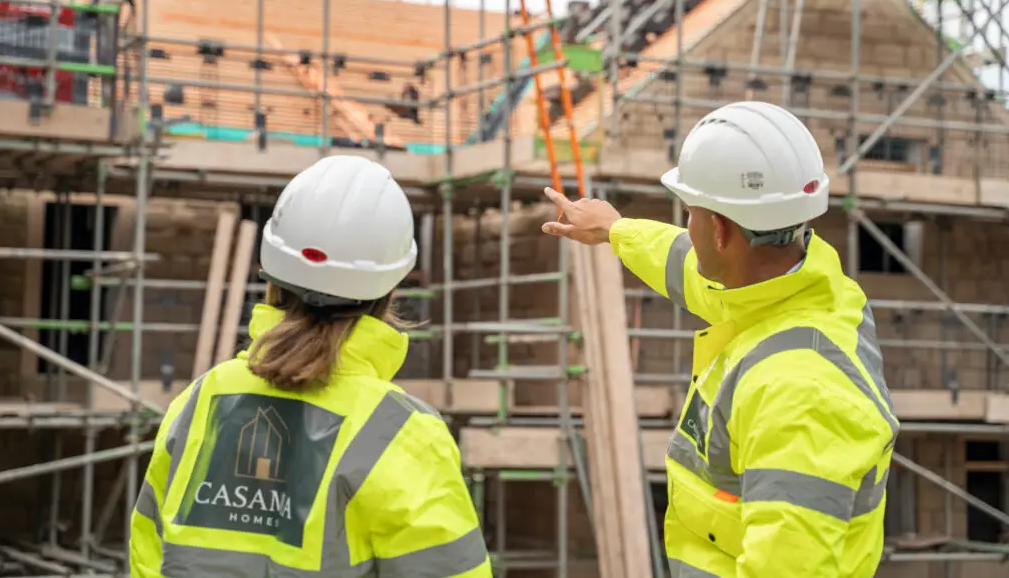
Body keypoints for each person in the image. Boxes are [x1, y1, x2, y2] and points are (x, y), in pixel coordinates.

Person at [541, 101, 899, 577]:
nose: (686, 226)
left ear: (720, 229)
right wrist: (615, 230)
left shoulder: (802, 395)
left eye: (689, 213)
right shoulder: (798, 289)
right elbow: (689, 266)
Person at [130, 155, 492, 578]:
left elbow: (147, 555)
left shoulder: (199, 400)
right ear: (390, 288)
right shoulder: (400, 430)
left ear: (272, 275)